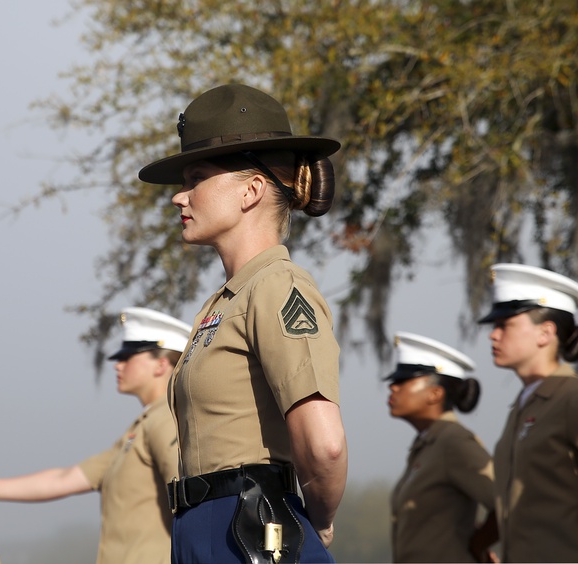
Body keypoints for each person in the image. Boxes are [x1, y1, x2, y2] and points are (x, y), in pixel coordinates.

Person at [137, 83, 348, 563]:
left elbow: (326, 445)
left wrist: (317, 521)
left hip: (253, 530)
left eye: (196, 178)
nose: (179, 197)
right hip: (209, 530)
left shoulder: (278, 285)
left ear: (251, 191)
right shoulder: (227, 301)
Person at [0, 307, 191, 564]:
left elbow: (188, 501)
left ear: (161, 364)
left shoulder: (164, 420)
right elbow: (64, 479)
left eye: (129, 356)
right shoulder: (139, 430)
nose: (117, 365)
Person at [479, 263, 578, 563]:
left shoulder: (575, 399)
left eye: (505, 325)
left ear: (545, 332)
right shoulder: (527, 403)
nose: (493, 335)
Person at [385, 332, 497, 563]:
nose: (393, 387)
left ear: (435, 393)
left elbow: (505, 502)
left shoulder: (454, 441)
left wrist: (478, 545)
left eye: (403, 381)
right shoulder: (428, 443)